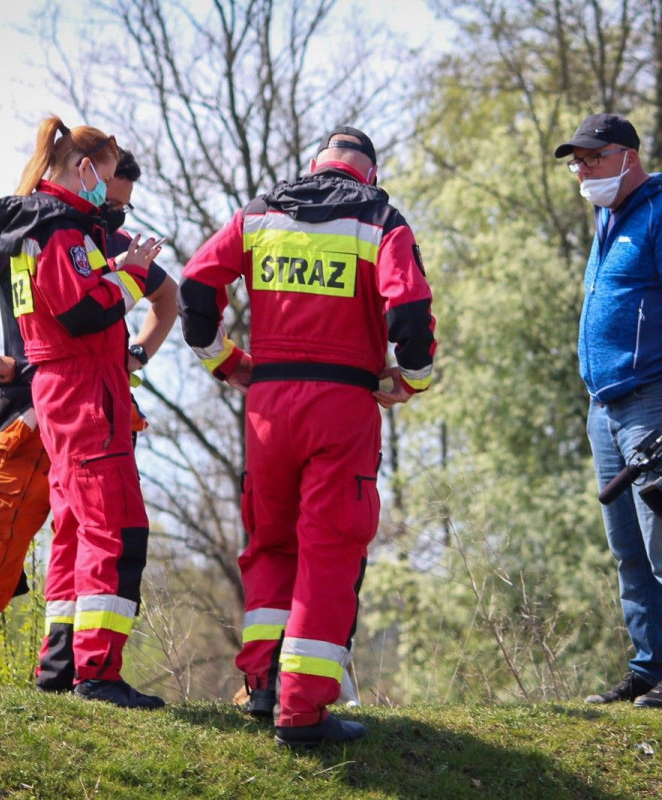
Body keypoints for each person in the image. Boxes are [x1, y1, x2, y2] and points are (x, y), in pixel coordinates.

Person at [178, 126, 436, 746]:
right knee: (331, 547)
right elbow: (410, 310)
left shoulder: (260, 214)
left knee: (270, 542)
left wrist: (222, 359)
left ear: (315, 164)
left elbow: (193, 285)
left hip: (268, 405)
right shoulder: (380, 219)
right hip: (341, 405)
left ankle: (263, 687)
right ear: (367, 174)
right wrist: (413, 379)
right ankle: (302, 711)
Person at [0, 151, 171, 694]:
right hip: (55, 399)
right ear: (87, 172)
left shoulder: (76, 231)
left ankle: (45, 661)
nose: (115, 214)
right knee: (54, 524)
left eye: (122, 208)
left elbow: (166, 296)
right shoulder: (43, 229)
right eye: (112, 199)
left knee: (53, 529)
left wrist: (134, 355)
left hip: (64, 395)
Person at [0, 117, 175, 709]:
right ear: (84, 168)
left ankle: (60, 668)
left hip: (64, 390)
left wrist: (118, 272)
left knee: (72, 531)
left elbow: (64, 301)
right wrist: (135, 276)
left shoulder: (37, 227)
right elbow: (81, 313)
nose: (112, 189)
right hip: (85, 393)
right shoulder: (61, 231)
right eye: (111, 175)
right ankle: (97, 672)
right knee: (116, 531)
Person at [555, 113, 662, 708]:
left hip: (655, 399)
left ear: (627, 155)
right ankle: (649, 667)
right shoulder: (609, 215)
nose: (582, 170)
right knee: (629, 548)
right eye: (575, 161)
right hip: (605, 406)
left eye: (591, 158)